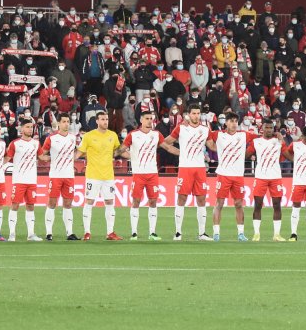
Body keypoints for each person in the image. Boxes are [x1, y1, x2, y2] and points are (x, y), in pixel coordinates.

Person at [120, 112, 175, 241]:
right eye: (147, 119)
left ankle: (152, 232)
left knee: (153, 201)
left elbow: (167, 147)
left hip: (152, 174)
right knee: (136, 202)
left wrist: (182, 153)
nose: (150, 121)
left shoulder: (156, 135)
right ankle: (134, 232)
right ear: (141, 120)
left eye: (151, 119)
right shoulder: (133, 135)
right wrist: (128, 156)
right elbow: (121, 150)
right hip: (138, 174)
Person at [164, 103, 212, 241]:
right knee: (182, 198)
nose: (196, 116)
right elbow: (166, 142)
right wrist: (179, 152)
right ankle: (178, 232)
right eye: (194, 113)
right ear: (189, 114)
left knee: (201, 199)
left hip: (200, 168)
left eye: (198, 113)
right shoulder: (181, 128)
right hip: (185, 168)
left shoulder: (205, 129)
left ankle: (202, 233)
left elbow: (212, 146)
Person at [207, 113, 254, 241]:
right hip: (223, 175)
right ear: (226, 123)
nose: (234, 124)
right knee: (219, 203)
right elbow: (204, 136)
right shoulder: (218, 134)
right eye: (231, 121)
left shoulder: (244, 135)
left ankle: (241, 233)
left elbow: (260, 138)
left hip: (238, 176)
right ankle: (216, 233)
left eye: (235, 121)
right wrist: (211, 146)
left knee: (239, 204)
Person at [76, 110, 122, 241]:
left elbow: (118, 151)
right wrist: (68, 160)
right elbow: (79, 152)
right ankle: (87, 232)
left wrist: (134, 156)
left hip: (108, 176)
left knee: (109, 202)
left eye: (106, 119)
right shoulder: (89, 136)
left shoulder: (113, 135)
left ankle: (110, 233)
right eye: (102, 119)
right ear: (97, 121)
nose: (105, 121)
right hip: (93, 175)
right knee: (89, 202)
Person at [38, 113, 80, 240]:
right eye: (64, 121)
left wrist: (72, 159)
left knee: (68, 203)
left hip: (69, 176)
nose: (66, 123)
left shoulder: (73, 138)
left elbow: (78, 152)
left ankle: (70, 232)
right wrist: (51, 159)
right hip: (55, 175)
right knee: (52, 202)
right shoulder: (51, 138)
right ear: (59, 123)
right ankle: (49, 233)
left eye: (68, 121)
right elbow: (42, 154)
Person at [5, 119, 42, 242]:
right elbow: (7, 158)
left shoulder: (36, 143)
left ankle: (31, 234)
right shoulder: (15, 143)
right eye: (27, 127)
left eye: (31, 127)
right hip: (19, 180)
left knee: (30, 206)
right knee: (15, 205)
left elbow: (42, 156)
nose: (30, 129)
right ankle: (11, 234)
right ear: (21, 129)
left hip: (32, 180)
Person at [249, 119, 285, 241]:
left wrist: (283, 140)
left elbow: (286, 154)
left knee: (277, 205)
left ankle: (276, 234)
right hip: (260, 177)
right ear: (262, 128)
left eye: (271, 128)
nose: (269, 130)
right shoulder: (256, 141)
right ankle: (256, 233)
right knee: (258, 205)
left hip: (275, 177)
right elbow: (246, 154)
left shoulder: (279, 141)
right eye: (267, 127)